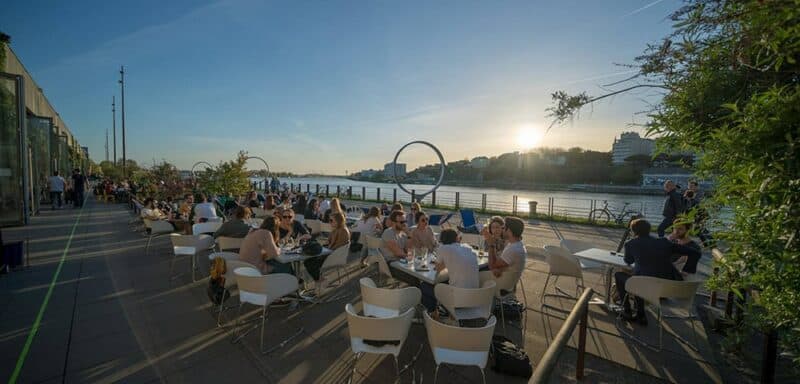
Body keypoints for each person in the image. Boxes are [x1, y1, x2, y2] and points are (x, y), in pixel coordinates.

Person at [614, 219, 703, 325]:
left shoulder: (630, 244)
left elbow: (628, 261)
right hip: (669, 289)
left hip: (646, 287)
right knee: (641, 278)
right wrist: (687, 270)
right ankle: (640, 315)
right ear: (649, 229)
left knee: (621, 275)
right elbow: (696, 253)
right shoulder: (664, 242)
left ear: (633, 231)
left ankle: (628, 311)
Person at [420, 229, 480, 313]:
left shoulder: (444, 248)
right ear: (456, 238)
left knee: (424, 286)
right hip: (475, 296)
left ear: (442, 240)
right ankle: (442, 311)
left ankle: (433, 313)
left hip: (458, 298)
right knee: (445, 282)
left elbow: (437, 268)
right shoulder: (467, 248)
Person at [304, 212, 349, 285]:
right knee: (308, 260)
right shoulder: (336, 229)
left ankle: (320, 280)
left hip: (334, 257)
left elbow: (337, 247)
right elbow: (329, 242)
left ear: (338, 221)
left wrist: (323, 250)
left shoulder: (343, 231)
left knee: (309, 262)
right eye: (329, 220)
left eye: (331, 220)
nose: (329, 222)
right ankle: (319, 279)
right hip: (331, 254)